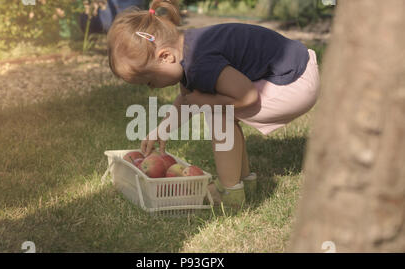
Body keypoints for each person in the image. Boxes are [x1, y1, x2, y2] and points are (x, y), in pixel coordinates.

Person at [107, 0, 320, 209]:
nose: (152, 88)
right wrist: (162, 129)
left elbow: (247, 97)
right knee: (215, 105)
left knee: (217, 111)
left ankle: (229, 192)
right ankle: (245, 181)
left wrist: (206, 101)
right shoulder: (187, 49)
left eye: (150, 82)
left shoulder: (199, 64)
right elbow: (187, 101)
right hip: (294, 71)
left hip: (295, 82)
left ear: (166, 57)